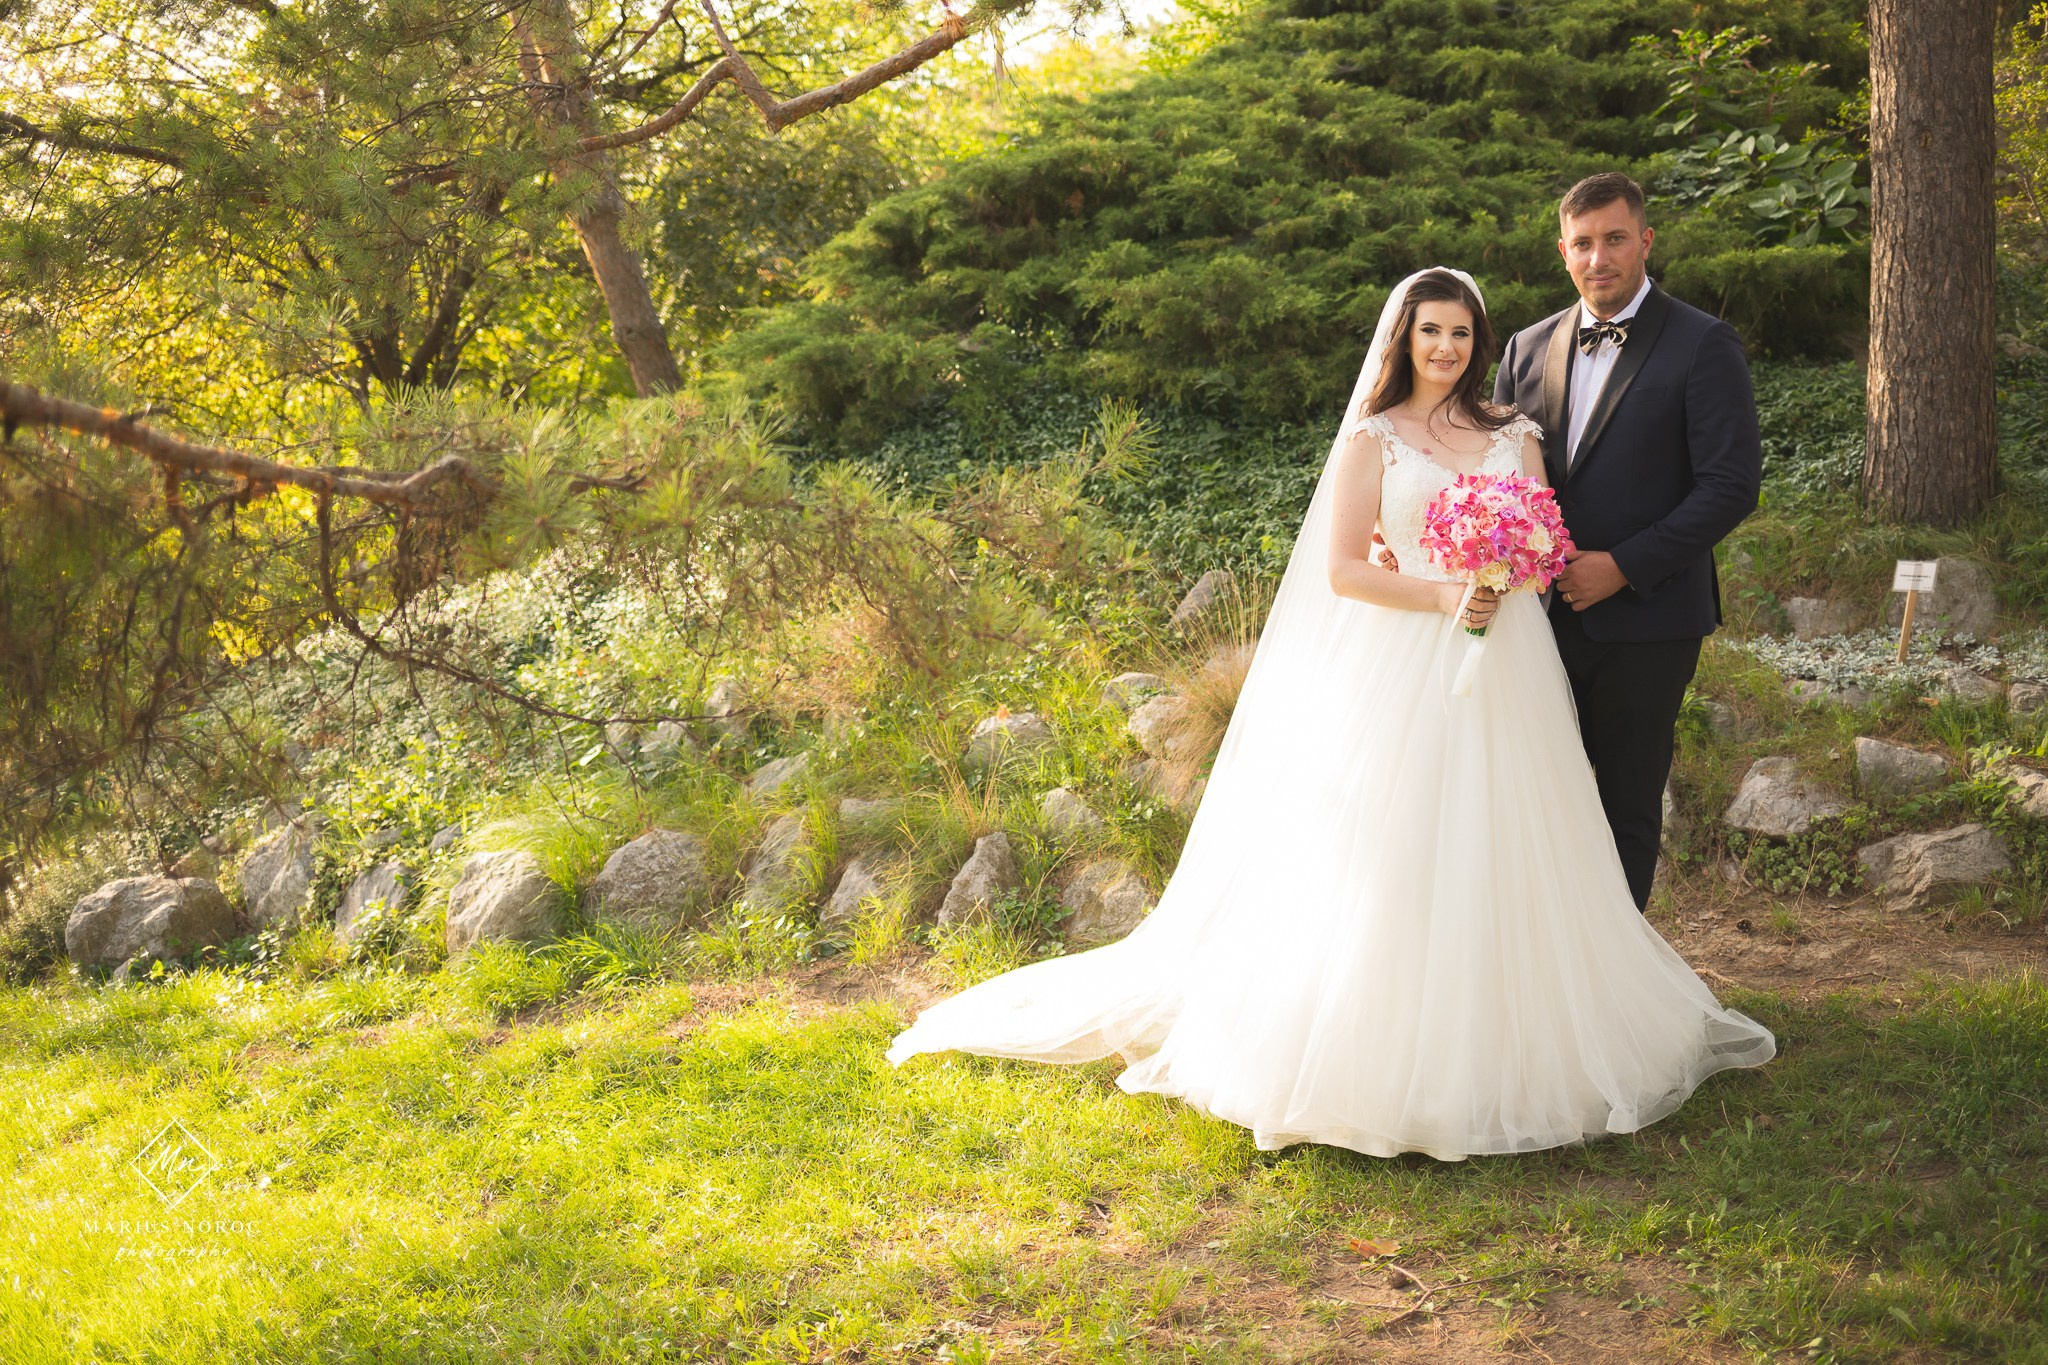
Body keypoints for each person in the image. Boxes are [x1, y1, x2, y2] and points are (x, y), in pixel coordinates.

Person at [885, 266, 1774, 1161]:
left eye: (1462, 334)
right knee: (1400, 844)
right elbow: (1346, 569)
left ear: (1480, 343)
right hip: (1410, 660)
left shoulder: (1513, 432)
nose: (1446, 348)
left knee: (1519, 832)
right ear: (1403, 340)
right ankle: (1385, 1046)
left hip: (1511, 661)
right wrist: (1441, 594)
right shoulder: (1372, 441)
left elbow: (1545, 537)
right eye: (1430, 332)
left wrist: (1513, 569)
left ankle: (1527, 1024)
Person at [1494, 172, 1764, 911]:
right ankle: (1551, 970)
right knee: (1533, 800)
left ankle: (1618, 995)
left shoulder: (1703, 343)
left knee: (1625, 808)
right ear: (1563, 250)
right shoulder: (1525, 347)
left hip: (1649, 620)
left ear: (1645, 240)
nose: (1598, 257)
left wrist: (1622, 566)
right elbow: (1495, 480)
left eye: (1615, 238)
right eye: (1582, 243)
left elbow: (1731, 485)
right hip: (1536, 623)